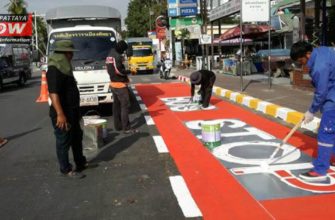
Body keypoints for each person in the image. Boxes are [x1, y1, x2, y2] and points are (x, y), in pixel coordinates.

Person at [290, 41, 335, 181]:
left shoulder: (319, 67)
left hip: (333, 99)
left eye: (301, 61)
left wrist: (311, 111)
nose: (301, 65)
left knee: (325, 133)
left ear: (308, 54)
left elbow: (321, 92)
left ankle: (320, 169)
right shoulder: (324, 50)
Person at [46, 40, 89, 179]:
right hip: (62, 113)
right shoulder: (54, 68)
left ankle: (80, 162)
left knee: (77, 137)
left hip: (72, 111)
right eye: (70, 53)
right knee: (63, 140)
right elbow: (53, 92)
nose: (72, 56)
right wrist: (60, 114)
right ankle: (66, 169)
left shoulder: (64, 67)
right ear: (64, 53)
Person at [106, 40, 138, 134]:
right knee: (125, 106)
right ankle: (126, 128)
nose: (123, 52)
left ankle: (118, 125)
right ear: (121, 48)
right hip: (119, 84)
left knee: (116, 106)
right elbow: (118, 70)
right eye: (123, 50)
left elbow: (108, 68)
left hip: (113, 83)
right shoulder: (117, 56)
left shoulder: (110, 54)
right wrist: (130, 71)